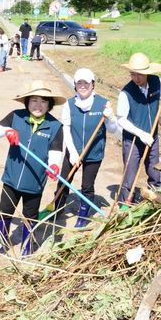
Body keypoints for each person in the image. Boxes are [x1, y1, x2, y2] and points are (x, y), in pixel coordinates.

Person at [0, 80, 65, 259]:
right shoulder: (16, 116)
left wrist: (54, 165)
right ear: (27, 102)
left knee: (30, 216)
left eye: (43, 101)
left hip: (35, 181)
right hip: (12, 178)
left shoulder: (55, 126)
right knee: (4, 213)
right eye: (34, 100)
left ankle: (26, 247)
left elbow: (56, 150)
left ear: (49, 105)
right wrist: (7, 131)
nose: (38, 105)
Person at [54, 68, 117, 228]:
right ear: (75, 85)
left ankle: (82, 215)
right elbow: (66, 129)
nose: (83, 86)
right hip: (73, 151)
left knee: (87, 186)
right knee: (64, 181)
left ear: (93, 84)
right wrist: (73, 153)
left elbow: (112, 129)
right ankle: (57, 209)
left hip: (93, 153)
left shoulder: (103, 103)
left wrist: (110, 118)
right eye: (79, 83)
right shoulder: (69, 104)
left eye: (86, 83)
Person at [116, 53, 161, 206]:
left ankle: (154, 203)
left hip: (152, 137)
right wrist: (140, 133)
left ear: (147, 73)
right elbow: (121, 119)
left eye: (140, 74)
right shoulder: (126, 93)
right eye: (133, 74)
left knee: (155, 172)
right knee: (130, 175)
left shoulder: (156, 81)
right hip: (133, 139)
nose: (136, 78)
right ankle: (125, 206)